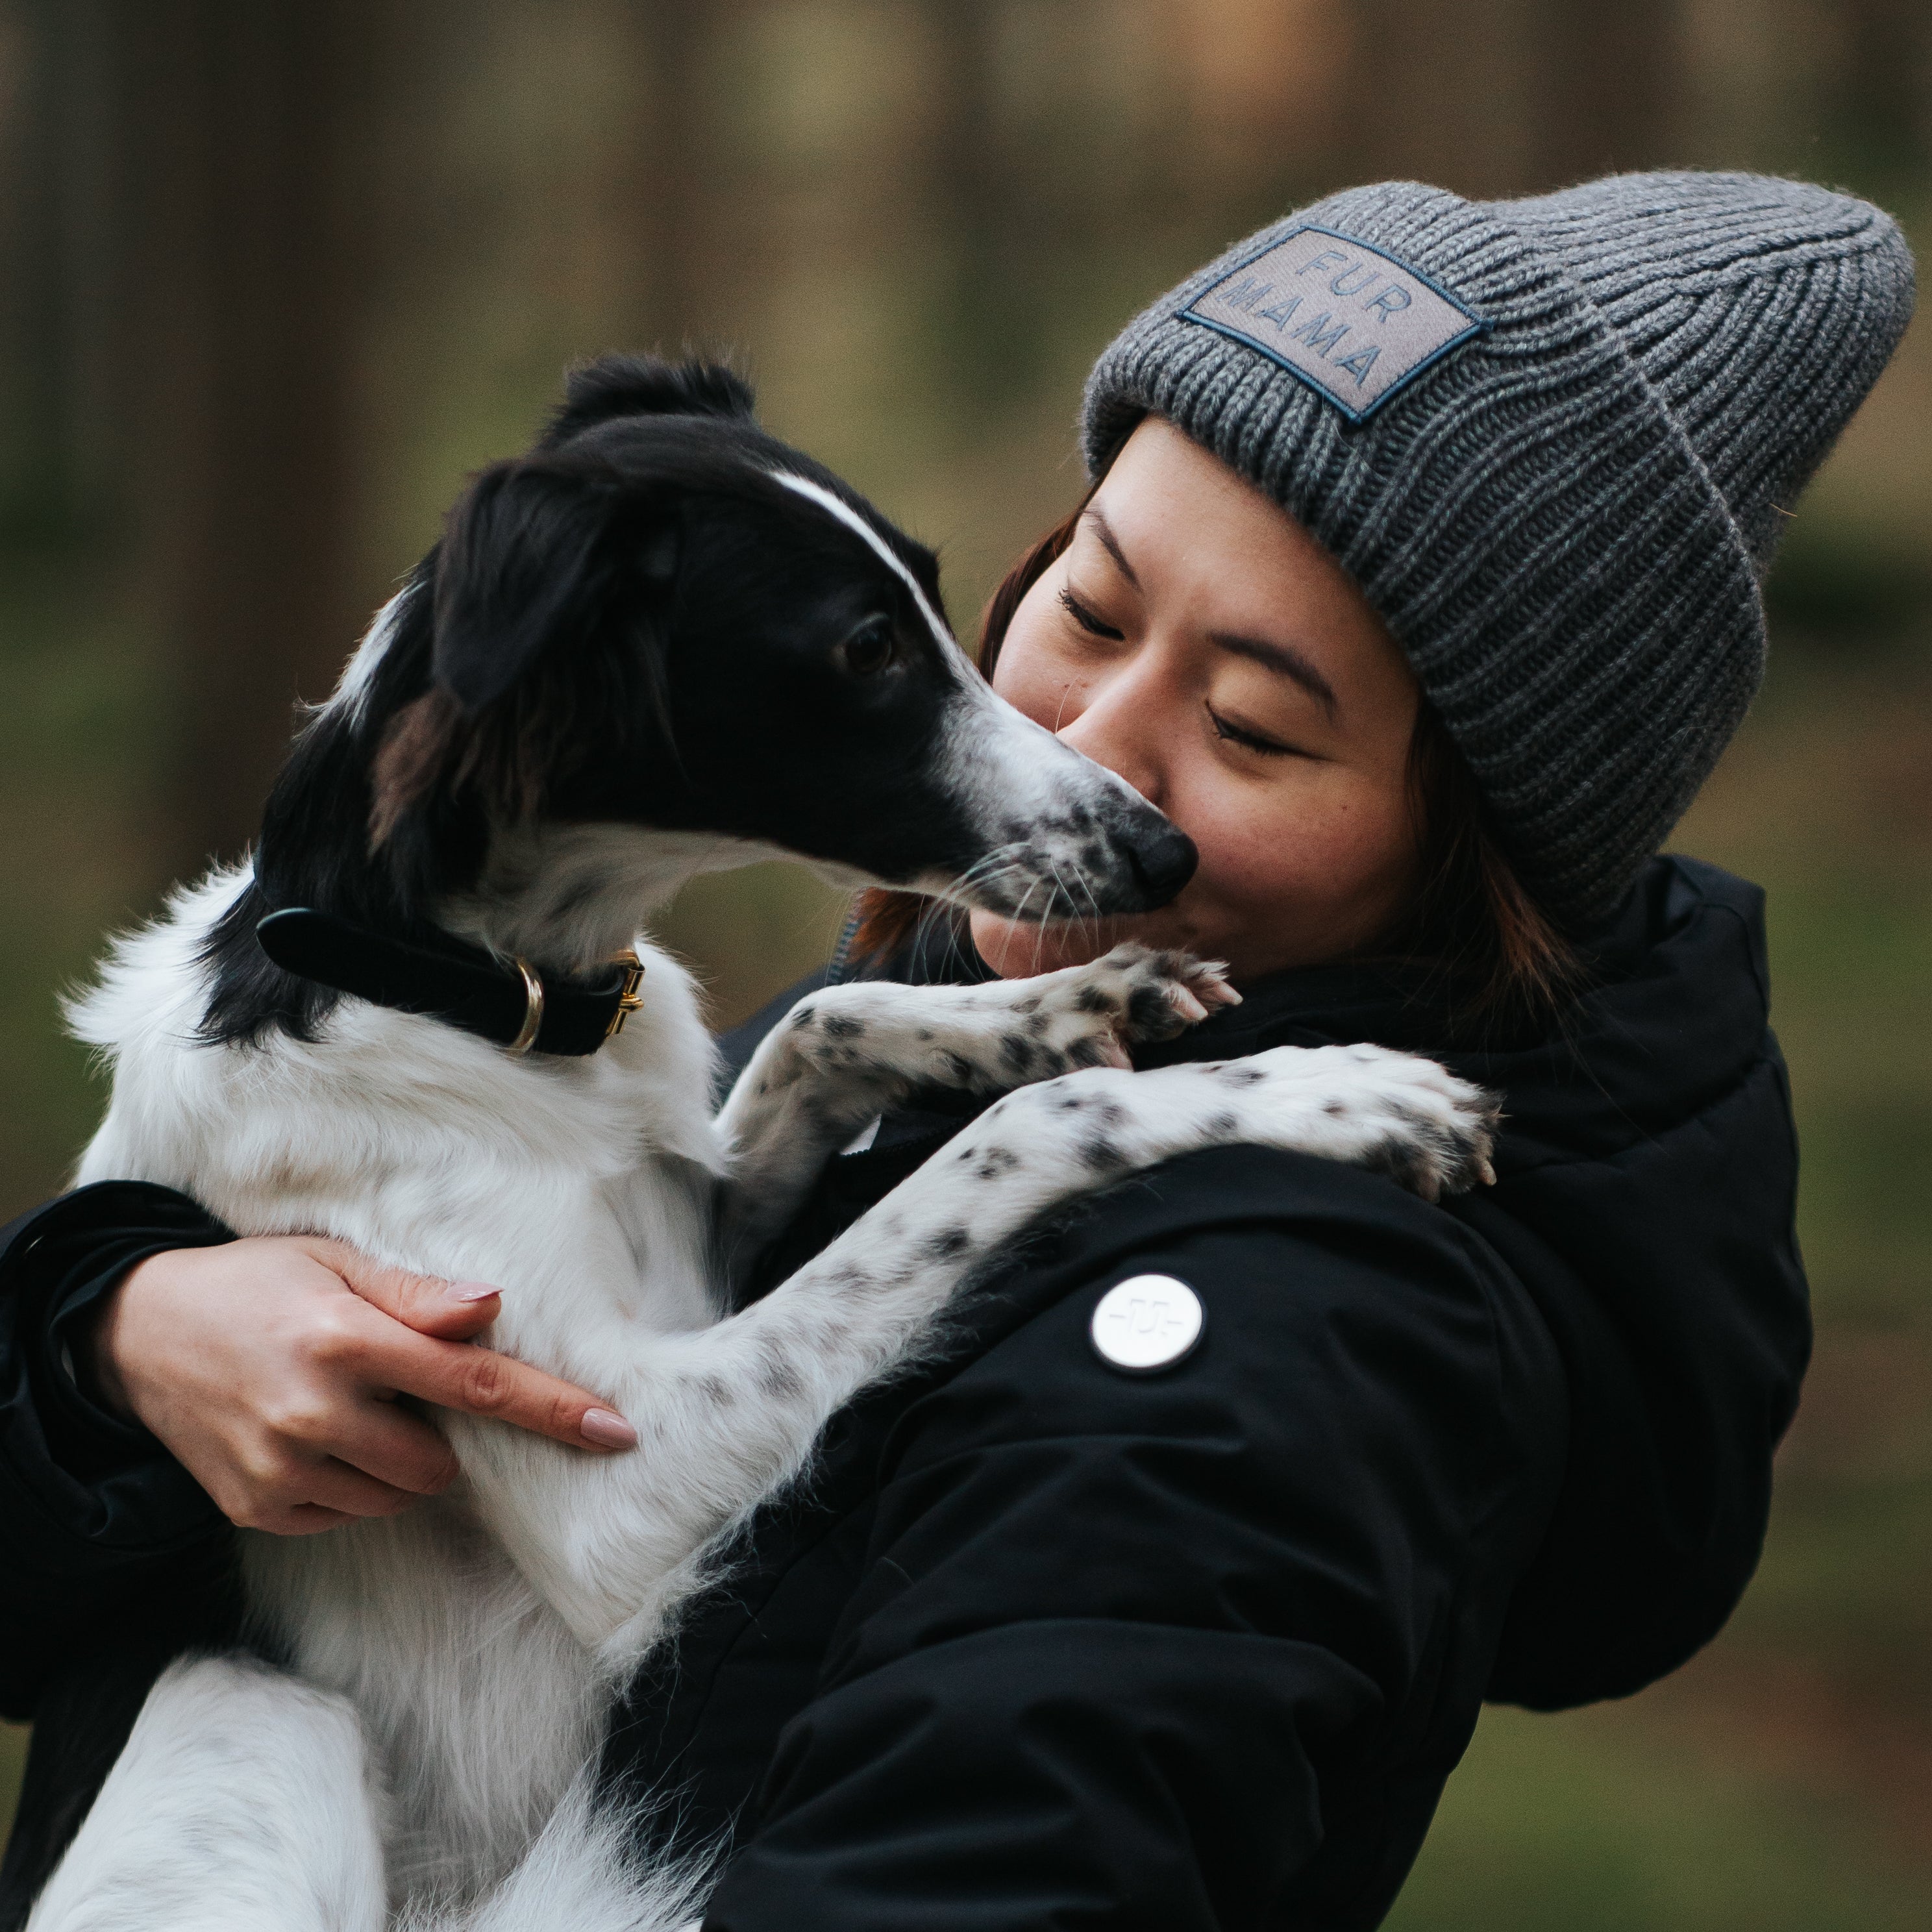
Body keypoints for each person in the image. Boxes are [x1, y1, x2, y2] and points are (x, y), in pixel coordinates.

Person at [0, 171, 1914, 1930]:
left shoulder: (1283, 1351)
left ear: (1465, 862)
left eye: (1253, 730)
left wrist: (1061, 1127)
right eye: (1085, 603)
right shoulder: (842, 1058)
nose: (1093, 750)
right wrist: (119, 1340)